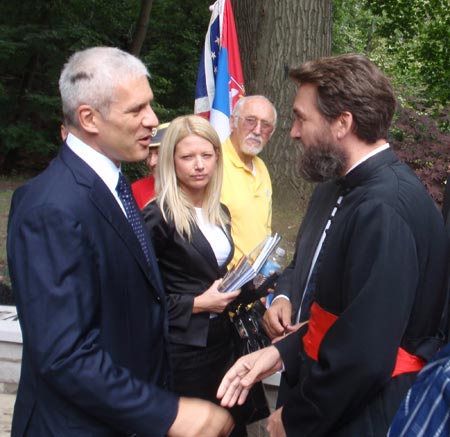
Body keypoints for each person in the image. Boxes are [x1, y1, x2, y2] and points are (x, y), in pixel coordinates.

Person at [217, 53, 449, 436]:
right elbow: (337, 313)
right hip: (325, 389)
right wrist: (280, 353)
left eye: (301, 118)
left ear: (342, 123)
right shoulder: (339, 186)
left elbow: (365, 354)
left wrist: (294, 420)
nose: (292, 131)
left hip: (362, 412)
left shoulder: (384, 208)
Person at [7, 47, 233, 437]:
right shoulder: (51, 206)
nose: (152, 120)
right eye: (136, 110)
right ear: (89, 118)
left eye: (150, 105)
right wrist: (169, 413)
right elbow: (64, 354)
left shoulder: (112, 184)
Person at [142, 114, 259, 435]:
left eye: (207, 156)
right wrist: (196, 303)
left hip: (223, 343)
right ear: (170, 161)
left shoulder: (218, 211)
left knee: (229, 427)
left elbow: (213, 276)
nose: (199, 165)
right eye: (188, 157)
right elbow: (136, 298)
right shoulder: (156, 217)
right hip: (182, 350)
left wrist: (256, 280)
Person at [221, 95, 277, 267]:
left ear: (272, 132)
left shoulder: (261, 168)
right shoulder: (213, 164)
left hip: (255, 280)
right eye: (250, 121)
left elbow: (264, 227)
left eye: (265, 125)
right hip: (223, 283)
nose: (257, 130)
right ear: (233, 122)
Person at [131, 121, 169, 209]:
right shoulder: (137, 189)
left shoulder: (197, 187)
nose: (152, 162)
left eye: (159, 154)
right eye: (149, 155)